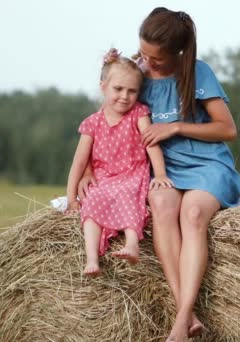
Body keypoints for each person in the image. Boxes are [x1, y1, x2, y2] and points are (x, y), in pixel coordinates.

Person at [77, 7, 240, 341]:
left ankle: (181, 321)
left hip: (207, 164)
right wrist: (88, 170)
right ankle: (189, 313)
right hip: (162, 171)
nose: (148, 64)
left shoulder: (198, 73)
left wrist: (176, 127)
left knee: (193, 213)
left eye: (157, 59)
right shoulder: (135, 74)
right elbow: (103, 123)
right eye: (144, 54)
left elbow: (228, 129)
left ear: (177, 53)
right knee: (162, 207)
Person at [66, 48, 173, 277]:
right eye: (118, 89)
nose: (125, 96)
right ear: (103, 86)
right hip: (104, 176)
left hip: (132, 173)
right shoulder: (92, 123)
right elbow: (78, 161)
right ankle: (92, 259)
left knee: (127, 194)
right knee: (92, 200)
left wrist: (161, 173)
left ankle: (132, 244)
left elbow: (151, 144)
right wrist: (70, 198)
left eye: (132, 91)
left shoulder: (139, 113)